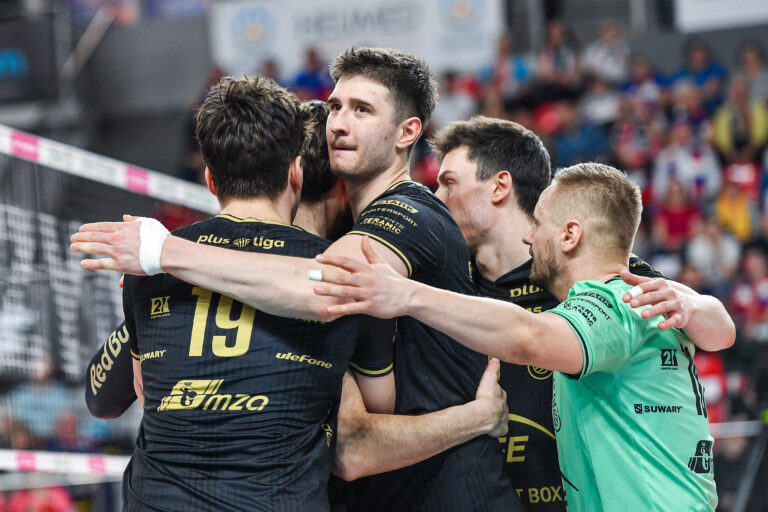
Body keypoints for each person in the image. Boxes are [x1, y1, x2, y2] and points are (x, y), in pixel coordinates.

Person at [76, 51, 521, 511]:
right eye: (335, 107)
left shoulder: (406, 215)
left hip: (451, 493)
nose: (339, 124)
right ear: (294, 171)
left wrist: (162, 253)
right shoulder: (326, 249)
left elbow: (325, 288)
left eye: (362, 110)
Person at [312, 163, 722, 511]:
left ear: (570, 235)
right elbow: (721, 328)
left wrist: (407, 295)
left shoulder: (613, 301)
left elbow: (529, 337)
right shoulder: (647, 297)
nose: (529, 237)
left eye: (538, 224)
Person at [426, 115, 733, 511]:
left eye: (449, 182)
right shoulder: (457, 275)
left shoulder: (610, 283)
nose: (436, 198)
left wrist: (696, 303)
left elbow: (530, 338)